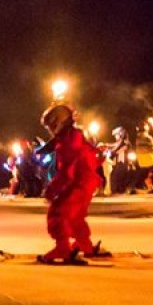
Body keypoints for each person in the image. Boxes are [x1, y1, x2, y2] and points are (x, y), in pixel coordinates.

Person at [38, 103, 107, 263]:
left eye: (50, 126)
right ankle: (85, 244)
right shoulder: (75, 135)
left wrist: (52, 189)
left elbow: (66, 170)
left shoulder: (67, 142)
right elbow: (90, 155)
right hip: (87, 181)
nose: (50, 130)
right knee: (75, 216)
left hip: (78, 182)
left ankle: (63, 247)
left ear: (58, 123)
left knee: (58, 212)